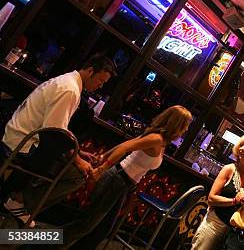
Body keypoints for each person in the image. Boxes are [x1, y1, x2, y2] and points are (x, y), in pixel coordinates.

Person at [1, 54, 116, 225]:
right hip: (24, 144)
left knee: (69, 161)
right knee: (78, 176)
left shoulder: (68, 81)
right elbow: (56, 134)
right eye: (100, 80)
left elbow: (56, 129)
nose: (100, 85)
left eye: (104, 83)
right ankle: (18, 202)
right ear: (90, 70)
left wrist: (78, 152)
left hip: (19, 134)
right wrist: (78, 160)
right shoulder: (70, 89)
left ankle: (16, 198)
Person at [59, 105, 193, 249]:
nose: (186, 130)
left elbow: (125, 144)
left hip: (122, 183)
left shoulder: (161, 141)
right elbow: (125, 148)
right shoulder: (156, 139)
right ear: (176, 124)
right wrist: (102, 167)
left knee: (102, 229)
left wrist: (104, 156)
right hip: (116, 179)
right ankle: (39, 241)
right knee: (84, 225)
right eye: (185, 125)